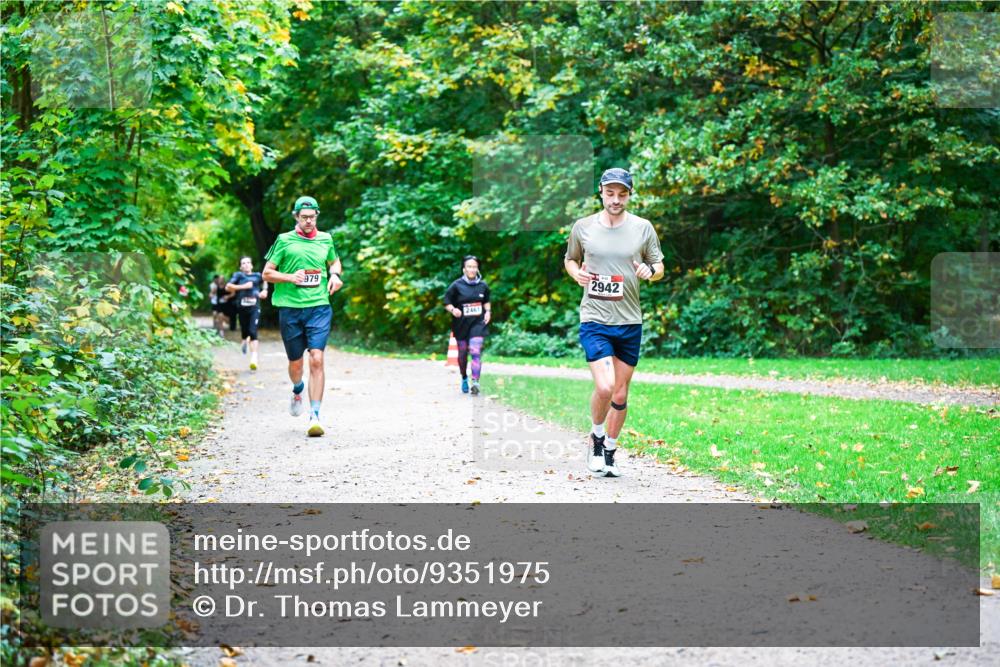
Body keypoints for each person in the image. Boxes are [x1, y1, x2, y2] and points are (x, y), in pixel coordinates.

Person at [563, 168, 664, 477]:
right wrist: (576, 274)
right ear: (601, 192)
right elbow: (570, 259)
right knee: (605, 386)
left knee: (620, 394)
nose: (615, 200)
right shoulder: (583, 227)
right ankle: (596, 438)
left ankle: (610, 450)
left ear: (629, 195)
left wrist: (650, 272)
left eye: (622, 194)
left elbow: (659, 266)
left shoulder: (643, 228)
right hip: (594, 318)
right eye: (610, 193)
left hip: (630, 321)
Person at [261, 196, 343, 437]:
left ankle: (315, 415)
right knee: (296, 364)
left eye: (312, 217)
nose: (309, 221)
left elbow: (334, 261)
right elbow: (267, 273)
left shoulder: (325, 239)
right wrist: (290, 277)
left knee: (317, 358)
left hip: (319, 307)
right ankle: (298, 388)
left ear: (317, 216)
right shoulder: (284, 240)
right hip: (290, 309)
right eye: (304, 217)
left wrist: (335, 275)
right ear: (296, 217)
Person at [443, 255, 492, 395]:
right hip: (461, 324)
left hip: (478, 323)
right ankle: (464, 377)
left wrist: (488, 312)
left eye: (474, 267)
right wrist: (453, 310)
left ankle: (475, 382)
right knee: (463, 353)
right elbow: (446, 302)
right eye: (469, 267)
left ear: (477, 269)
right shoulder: (456, 285)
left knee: (476, 351)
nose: (472, 269)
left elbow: (486, 301)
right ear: (464, 269)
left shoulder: (483, 285)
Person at [226, 256, 268, 371]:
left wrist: (264, 290)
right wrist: (243, 286)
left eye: (248, 262)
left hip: (255, 308)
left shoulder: (257, 275)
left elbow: (265, 279)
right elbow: (228, 287)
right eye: (243, 263)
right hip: (242, 308)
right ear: (240, 267)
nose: (246, 264)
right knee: (245, 331)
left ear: (252, 265)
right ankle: (244, 340)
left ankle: (254, 358)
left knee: (253, 331)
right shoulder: (238, 275)